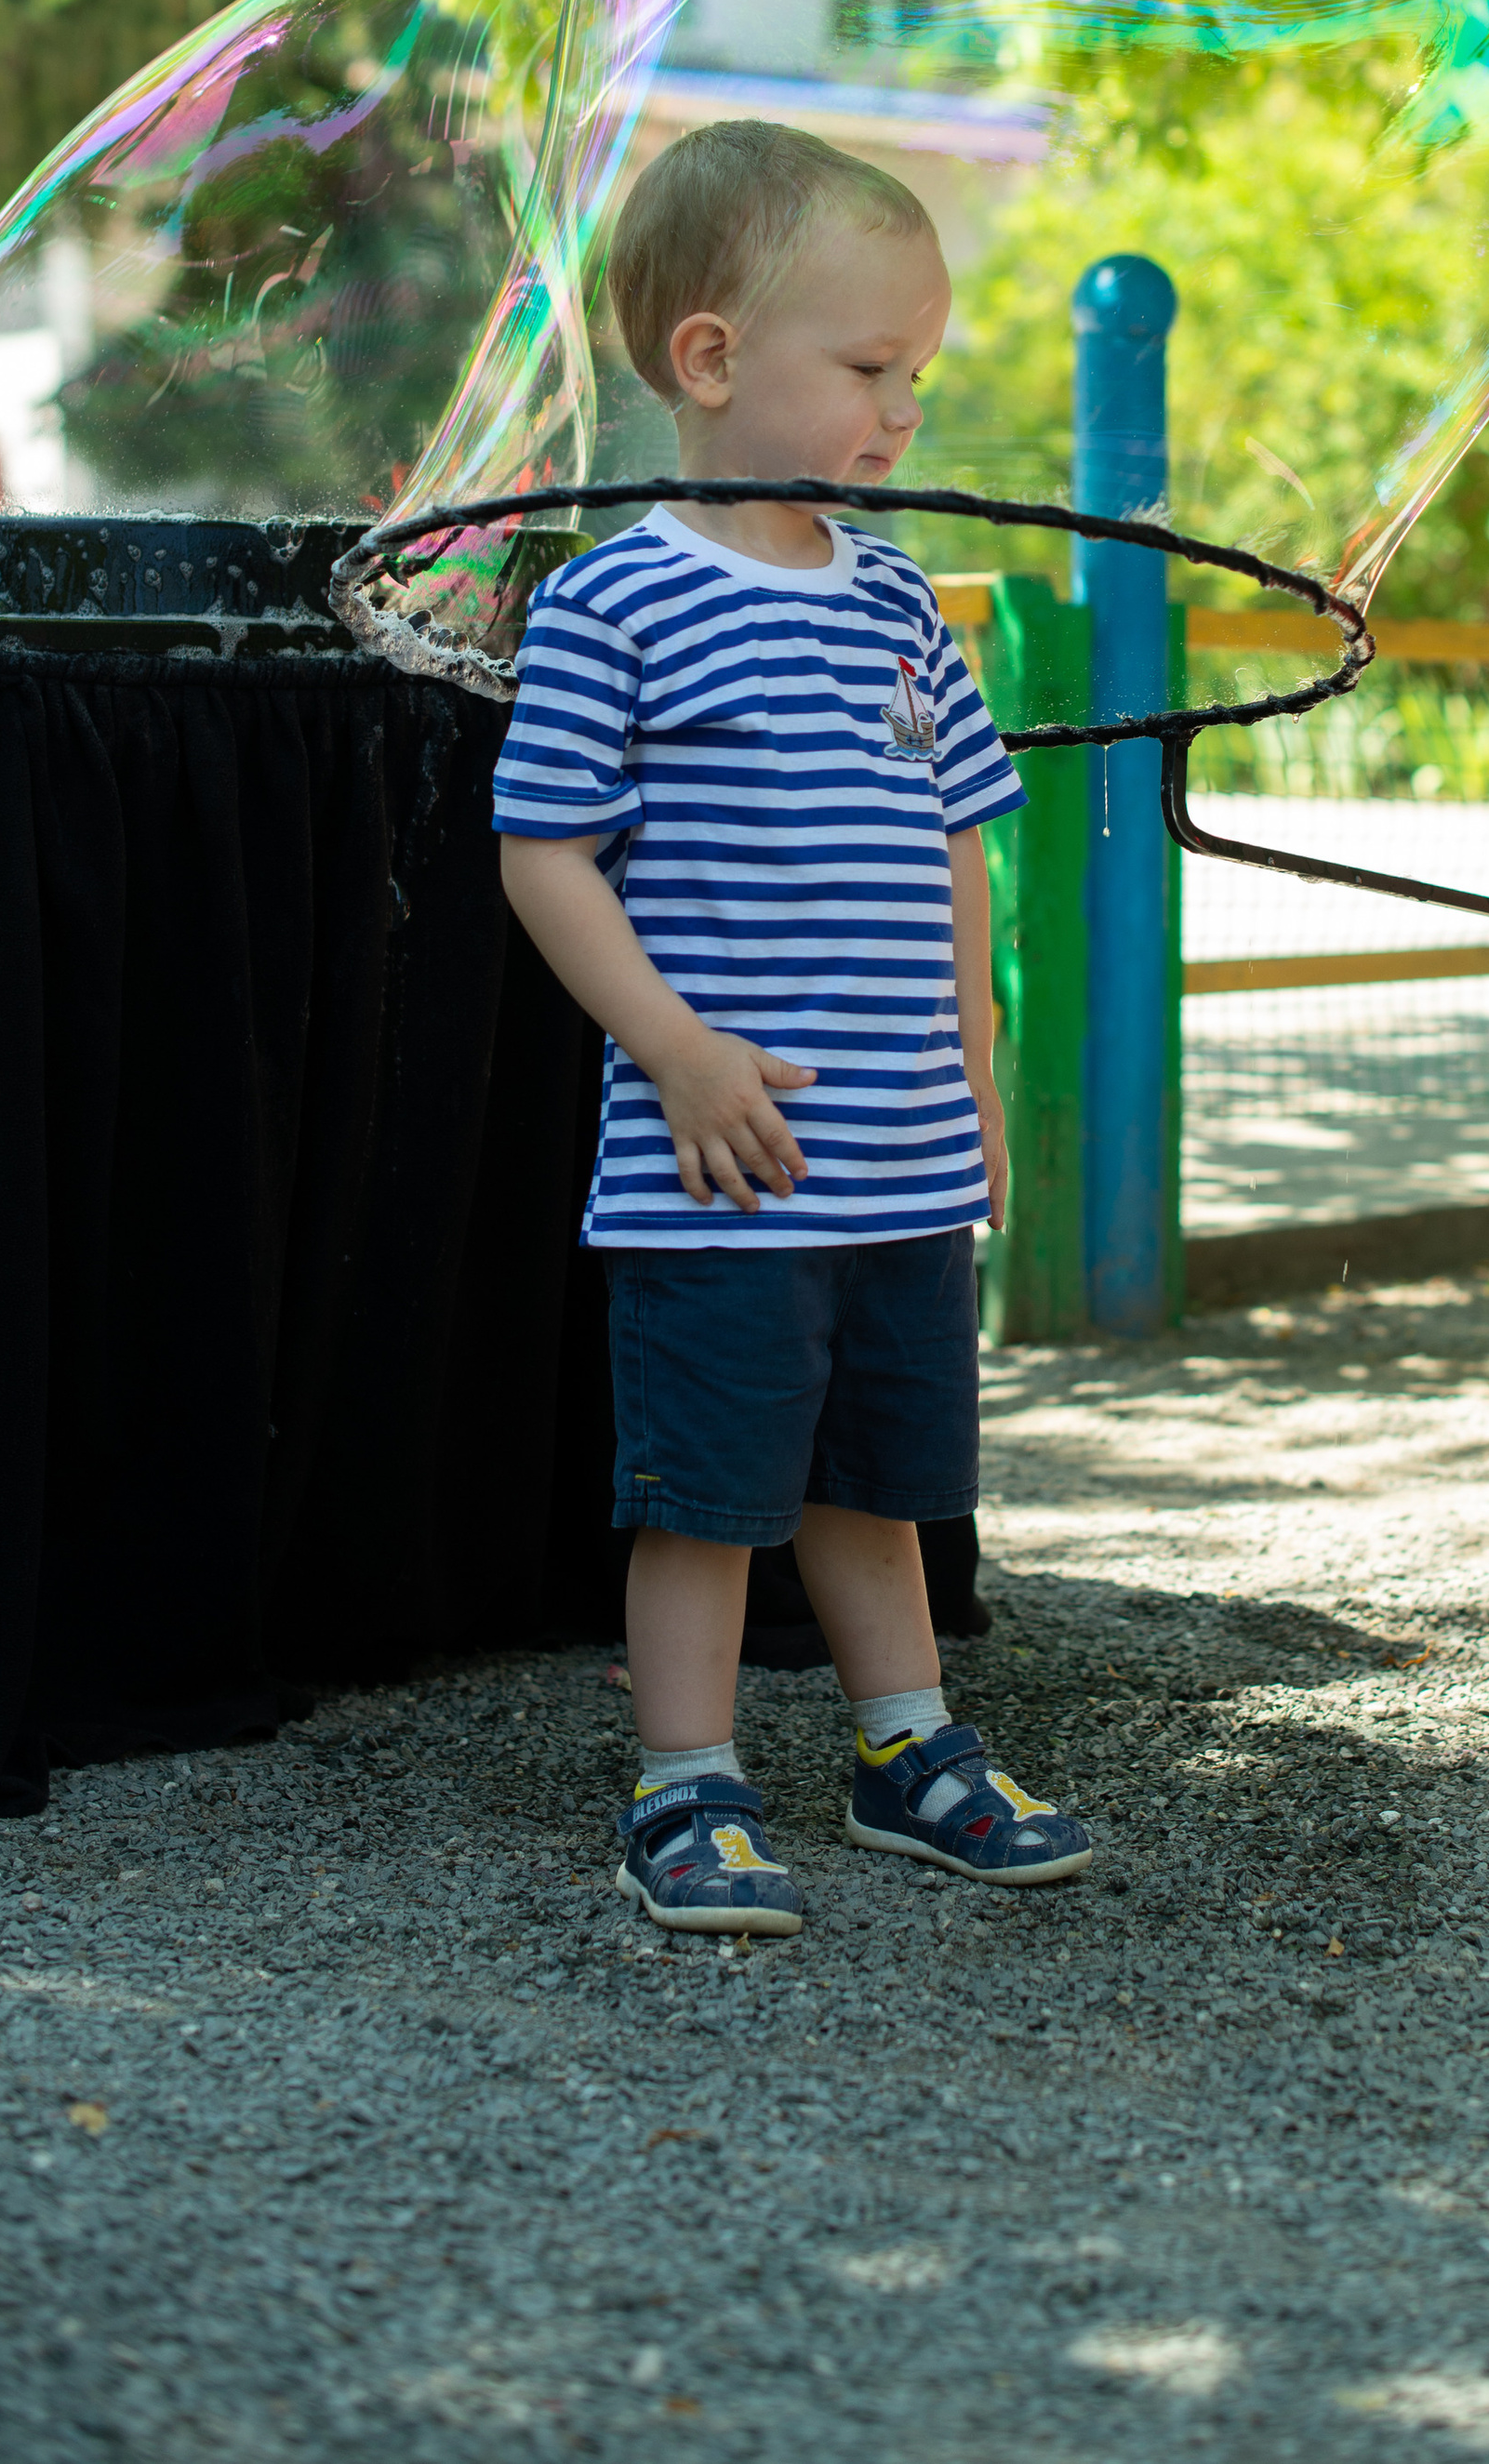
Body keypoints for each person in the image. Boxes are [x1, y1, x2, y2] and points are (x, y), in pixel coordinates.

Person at [496, 118, 1092, 1933]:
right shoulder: (618, 598)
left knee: (879, 1481)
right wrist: (669, 1047)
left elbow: (956, 853)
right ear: (709, 361)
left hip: (895, 1159)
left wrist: (979, 1082)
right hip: (723, 1173)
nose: (903, 412)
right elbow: (542, 854)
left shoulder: (902, 602)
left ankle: (904, 1747)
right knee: (708, 1494)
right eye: (867, 370)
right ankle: (682, 1784)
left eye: (915, 374)